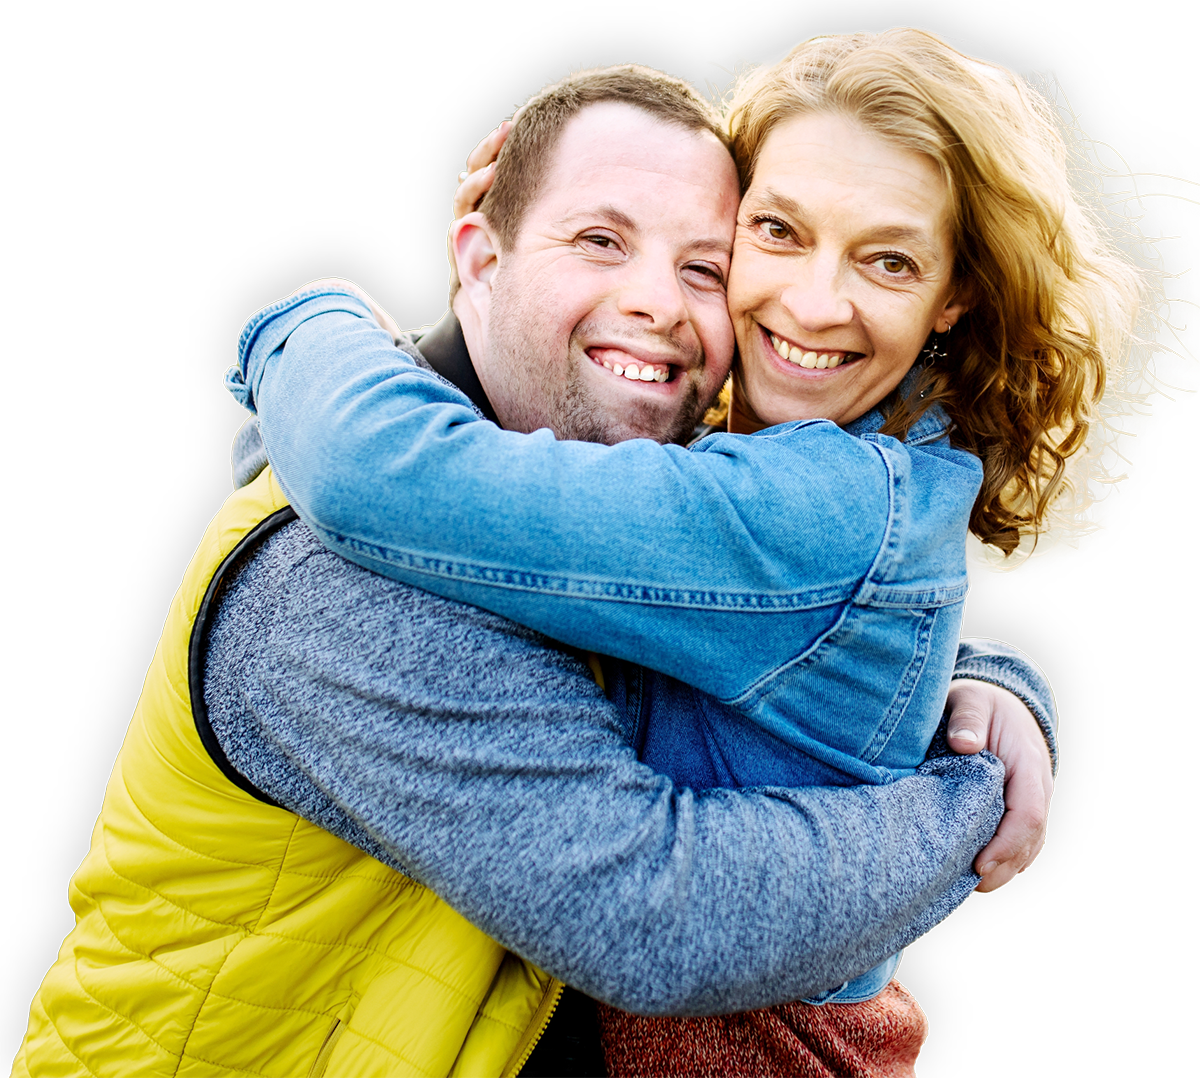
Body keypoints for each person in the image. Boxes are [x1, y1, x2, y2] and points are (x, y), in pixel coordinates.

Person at [15, 61, 1058, 1078]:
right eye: (600, 239)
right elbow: (657, 916)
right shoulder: (343, 592)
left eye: (703, 264)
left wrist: (983, 678)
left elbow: (803, 616)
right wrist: (973, 794)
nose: (656, 301)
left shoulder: (640, 498)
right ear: (478, 254)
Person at [230, 27, 1186, 1075]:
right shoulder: (786, 451)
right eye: (775, 231)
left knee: (1128, 1059)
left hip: (756, 1048)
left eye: (890, 259)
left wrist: (310, 318)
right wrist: (983, 682)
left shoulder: (814, 503)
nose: (815, 302)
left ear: (954, 294)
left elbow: (380, 473)